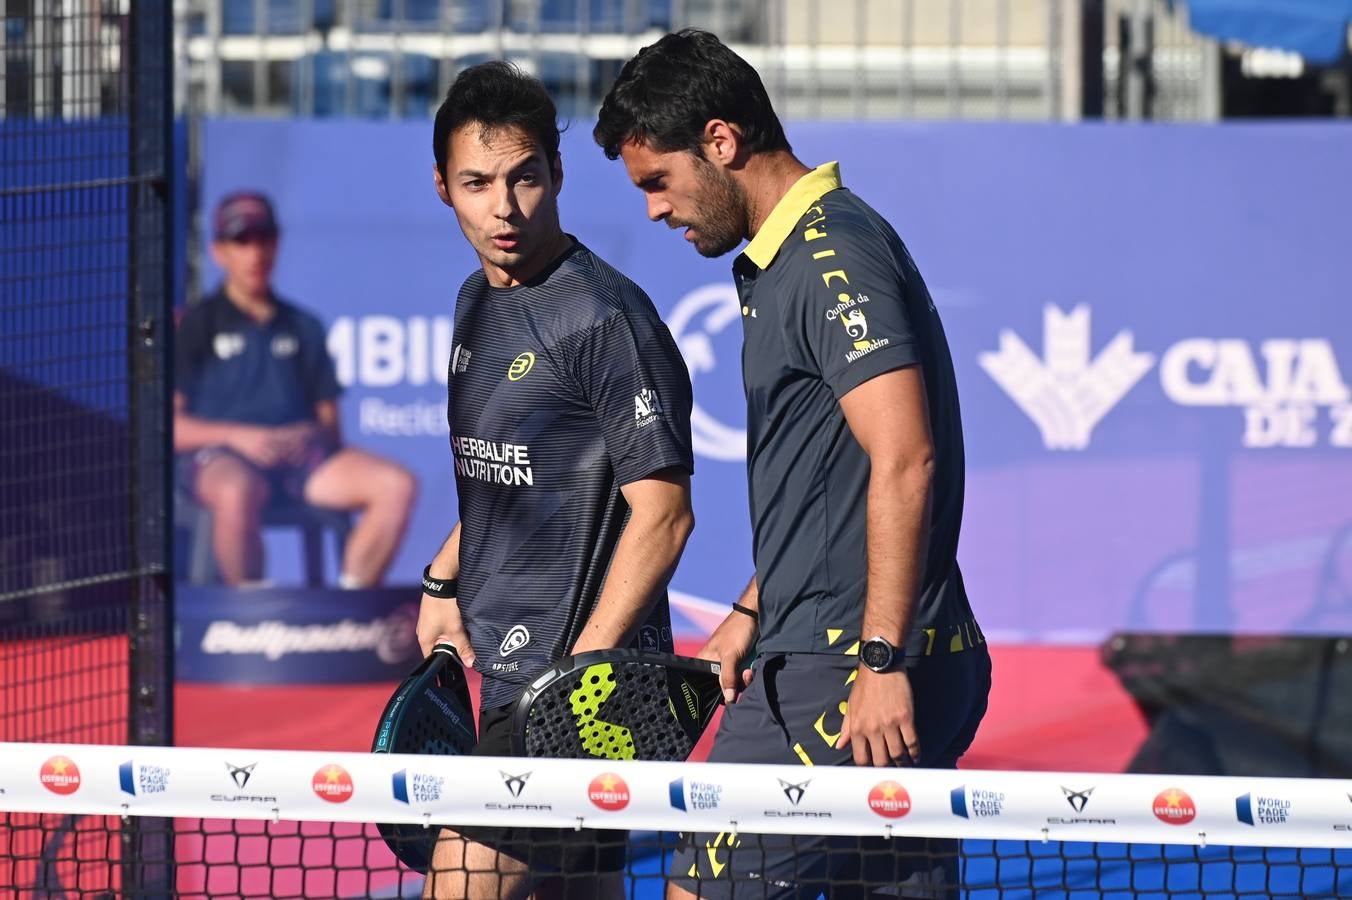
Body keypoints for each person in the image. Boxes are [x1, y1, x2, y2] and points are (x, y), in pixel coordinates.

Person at [596, 29, 992, 899]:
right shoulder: (797, 256)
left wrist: (878, 666)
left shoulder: (828, 255)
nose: (655, 211)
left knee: (693, 890)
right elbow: (832, 488)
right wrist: (751, 606)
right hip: (883, 654)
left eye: (658, 181)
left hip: (848, 675)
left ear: (721, 141)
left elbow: (904, 459)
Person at [415, 61, 696, 900]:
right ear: (443, 188)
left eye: (524, 177)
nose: (504, 207)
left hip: (567, 690)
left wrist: (581, 677)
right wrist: (444, 576)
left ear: (557, 175)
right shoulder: (476, 300)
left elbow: (665, 514)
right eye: (477, 183)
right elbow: (508, 471)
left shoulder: (608, 319)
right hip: (509, 676)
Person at [175, 191, 417, 587]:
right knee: (236, 490)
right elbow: (173, 427)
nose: (256, 253)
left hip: (298, 462)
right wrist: (243, 438)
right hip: (223, 457)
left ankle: (347, 613)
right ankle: (251, 620)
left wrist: (305, 435)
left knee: (395, 485)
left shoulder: (303, 326)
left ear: (277, 242)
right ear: (219, 251)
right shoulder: (196, 324)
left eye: (264, 238)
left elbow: (330, 427)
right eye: (242, 240)